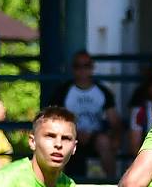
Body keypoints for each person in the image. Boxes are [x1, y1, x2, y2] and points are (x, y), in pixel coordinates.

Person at [51, 50, 122, 179]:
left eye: (86, 66)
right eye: (78, 66)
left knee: (104, 142)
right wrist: (74, 132)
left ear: (92, 68)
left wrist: (116, 138)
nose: (82, 70)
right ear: (73, 69)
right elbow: (55, 119)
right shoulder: (63, 91)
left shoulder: (103, 92)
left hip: (95, 136)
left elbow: (114, 120)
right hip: (69, 135)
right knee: (58, 144)